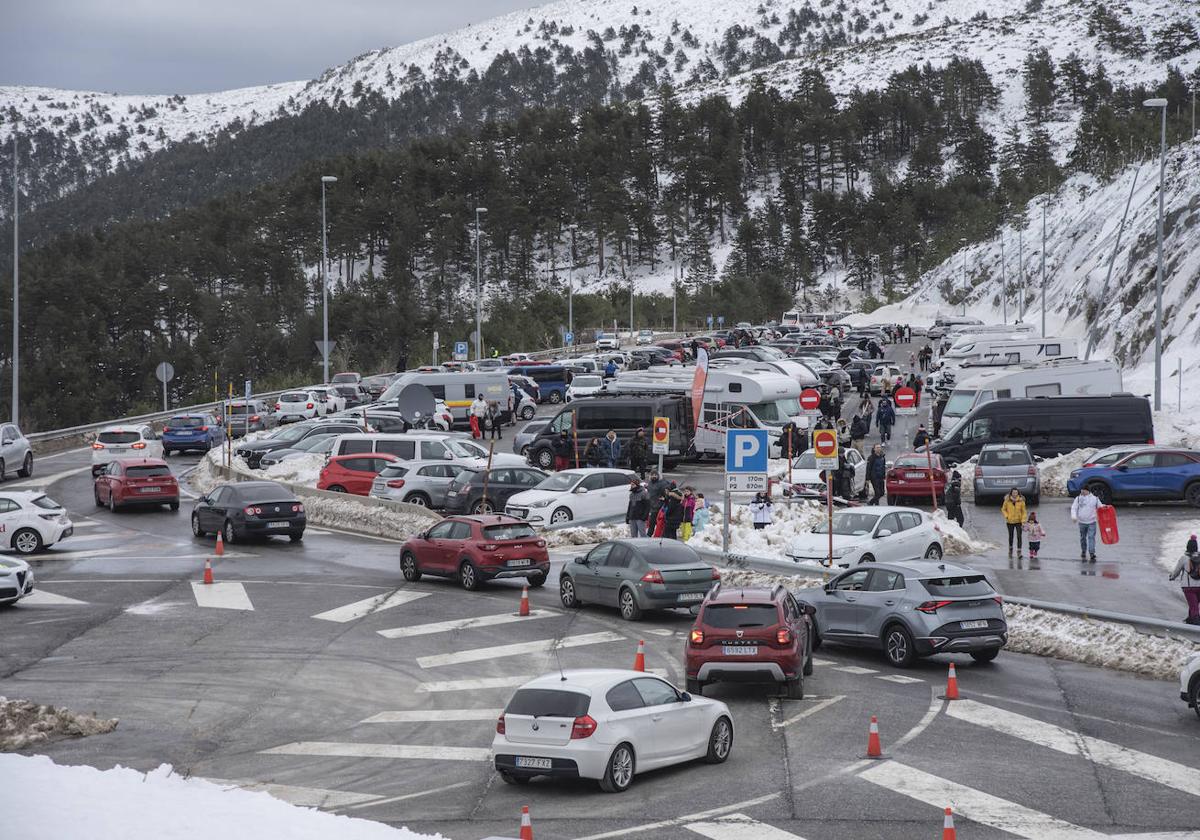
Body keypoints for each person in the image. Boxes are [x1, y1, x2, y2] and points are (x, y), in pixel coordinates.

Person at [1168, 534, 1200, 624]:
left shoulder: (1184, 558)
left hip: (1188, 588)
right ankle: (1190, 621)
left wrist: (1172, 577)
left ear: (1187, 547)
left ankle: (1195, 627)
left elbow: (1177, 571)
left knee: (1194, 607)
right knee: (1194, 605)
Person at [1070, 485, 1101, 562]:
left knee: (1091, 537)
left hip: (1092, 522)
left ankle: (1092, 553)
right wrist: (1074, 516)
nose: (1082, 492)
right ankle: (1083, 551)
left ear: (1088, 491)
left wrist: (1106, 507)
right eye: (1081, 490)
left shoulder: (1095, 499)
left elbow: (1100, 507)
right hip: (1082, 522)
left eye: (1084, 490)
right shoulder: (1078, 499)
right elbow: (1074, 508)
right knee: (1083, 537)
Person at [1001, 488, 1028, 558]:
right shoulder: (1007, 501)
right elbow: (1003, 509)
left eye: (1016, 493)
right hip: (1010, 521)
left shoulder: (1021, 501)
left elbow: (1024, 512)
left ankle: (1019, 551)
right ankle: (1010, 549)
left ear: (1018, 494)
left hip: (1019, 521)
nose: (1015, 494)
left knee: (1019, 536)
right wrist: (1006, 516)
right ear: (1011, 493)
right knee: (1011, 536)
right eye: (1013, 493)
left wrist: (1023, 520)